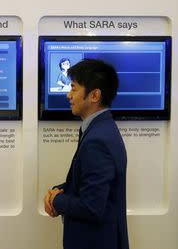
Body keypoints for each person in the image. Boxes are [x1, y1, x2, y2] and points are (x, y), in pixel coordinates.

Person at [44, 59, 129, 249]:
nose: (68, 95)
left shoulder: (97, 141)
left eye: (74, 89)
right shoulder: (101, 129)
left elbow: (91, 207)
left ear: (94, 95)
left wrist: (56, 200)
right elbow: (88, 182)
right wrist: (60, 190)